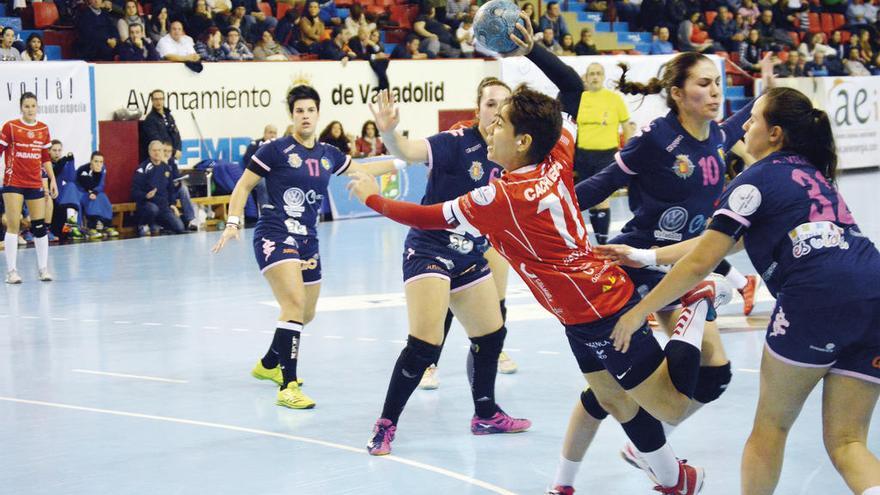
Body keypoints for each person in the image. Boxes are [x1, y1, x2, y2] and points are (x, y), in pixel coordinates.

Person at [349, 19, 712, 493]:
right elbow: (572, 87)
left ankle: (698, 304)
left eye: (499, 124)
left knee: (670, 405)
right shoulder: (556, 151)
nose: (491, 130)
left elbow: (430, 216)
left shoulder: (503, 197)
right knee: (614, 400)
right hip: (577, 312)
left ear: (521, 141)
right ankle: (670, 480)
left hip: (601, 306)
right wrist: (534, 48)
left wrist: (373, 198)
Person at [604, 86, 880, 495]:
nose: (744, 124)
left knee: (771, 426)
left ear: (775, 134)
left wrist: (636, 311)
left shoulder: (753, 180)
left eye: (753, 118)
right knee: (847, 441)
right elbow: (724, 241)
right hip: (873, 290)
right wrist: (647, 257)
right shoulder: (812, 174)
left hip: (816, 297)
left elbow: (700, 264)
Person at [551, 52, 771, 493]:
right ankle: (565, 482)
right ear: (677, 94)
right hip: (641, 259)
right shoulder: (657, 138)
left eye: (716, 83)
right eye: (703, 85)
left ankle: (647, 448)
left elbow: (746, 115)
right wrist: (552, 208)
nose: (714, 92)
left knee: (713, 375)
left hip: (684, 265)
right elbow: (608, 180)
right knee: (609, 392)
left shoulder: (717, 135)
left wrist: (764, 84)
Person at [211, 85, 401, 410]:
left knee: (306, 313)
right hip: (275, 233)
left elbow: (362, 169)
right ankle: (288, 386)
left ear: (317, 113)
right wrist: (232, 222)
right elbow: (244, 185)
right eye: (299, 111)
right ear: (292, 115)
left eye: (310, 110)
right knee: (294, 303)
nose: (305, 116)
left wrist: (405, 161)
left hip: (308, 240)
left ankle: (270, 363)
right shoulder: (275, 150)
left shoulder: (328, 153)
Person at [0, 92, 58, 283]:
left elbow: (45, 158)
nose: (30, 109)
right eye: (27, 106)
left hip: (34, 182)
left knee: (39, 226)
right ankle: (12, 272)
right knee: (13, 224)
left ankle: (43, 269)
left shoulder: (43, 129)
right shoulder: (11, 127)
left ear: (37, 107)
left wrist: (52, 179)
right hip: (13, 182)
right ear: (21, 107)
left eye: (33, 106)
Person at [574, 62, 632, 245]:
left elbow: (626, 125)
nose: (595, 77)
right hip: (583, 155)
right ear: (586, 76)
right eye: (592, 73)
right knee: (588, 199)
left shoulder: (614, 99)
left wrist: (629, 152)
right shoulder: (580, 99)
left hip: (606, 154)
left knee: (602, 198)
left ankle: (603, 243)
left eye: (598, 73)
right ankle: (597, 243)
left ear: (603, 76)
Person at [131, 140, 185, 236]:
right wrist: (145, 196)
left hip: (164, 206)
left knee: (180, 228)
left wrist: (172, 204)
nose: (157, 153)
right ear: (149, 152)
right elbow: (134, 192)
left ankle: (159, 224)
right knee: (153, 209)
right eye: (154, 150)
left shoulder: (166, 168)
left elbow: (171, 189)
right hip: (148, 205)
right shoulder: (142, 168)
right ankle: (143, 224)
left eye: (159, 150)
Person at [75, 152, 117, 239]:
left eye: (101, 162)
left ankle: (107, 225)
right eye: (96, 161)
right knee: (92, 198)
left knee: (103, 197)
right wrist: (93, 191)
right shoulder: (83, 170)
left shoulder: (103, 169)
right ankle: (92, 227)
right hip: (80, 193)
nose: (99, 164)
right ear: (91, 161)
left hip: (92, 192)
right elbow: (88, 185)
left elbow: (101, 185)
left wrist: (95, 192)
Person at [163, 142, 198, 231]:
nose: (167, 153)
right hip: (163, 192)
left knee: (183, 188)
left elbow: (176, 176)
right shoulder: (157, 163)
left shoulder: (172, 162)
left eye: (169, 151)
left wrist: (177, 183)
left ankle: (191, 219)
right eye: (165, 151)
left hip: (173, 190)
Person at [141, 90, 182, 160]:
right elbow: (156, 141)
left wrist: (178, 150)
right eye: (156, 99)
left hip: (172, 156)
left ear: (164, 100)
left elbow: (176, 135)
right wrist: (173, 152)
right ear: (152, 101)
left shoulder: (169, 116)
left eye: (160, 99)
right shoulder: (150, 120)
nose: (158, 102)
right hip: (159, 158)